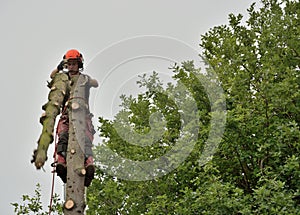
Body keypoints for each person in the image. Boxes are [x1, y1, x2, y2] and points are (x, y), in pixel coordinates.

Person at [51, 49, 98, 187]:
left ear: (79, 64)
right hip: (66, 113)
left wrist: (88, 80)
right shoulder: (62, 79)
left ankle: (89, 163)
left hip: (83, 114)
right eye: (69, 64)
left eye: (74, 64)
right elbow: (52, 76)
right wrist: (59, 68)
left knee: (85, 139)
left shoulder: (84, 78)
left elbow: (96, 83)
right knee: (63, 136)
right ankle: (61, 162)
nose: (71, 66)